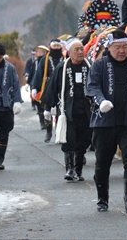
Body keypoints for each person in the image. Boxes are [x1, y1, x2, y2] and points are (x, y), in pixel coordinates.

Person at [84, 29, 127, 213]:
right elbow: (92, 86)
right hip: (104, 122)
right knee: (102, 163)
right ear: (109, 47)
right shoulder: (99, 65)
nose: (122, 51)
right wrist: (100, 100)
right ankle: (102, 198)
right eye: (117, 47)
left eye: (125, 47)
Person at [42, 38, 92, 182]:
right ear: (69, 52)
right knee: (69, 140)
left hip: (85, 111)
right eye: (76, 49)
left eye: (81, 49)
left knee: (84, 141)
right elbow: (52, 88)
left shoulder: (89, 66)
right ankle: (69, 169)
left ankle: (79, 170)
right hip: (67, 111)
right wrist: (47, 108)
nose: (80, 52)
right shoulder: (62, 67)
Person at [31, 39, 66, 143]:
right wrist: (35, 87)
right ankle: (49, 131)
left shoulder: (65, 59)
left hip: (61, 89)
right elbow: (38, 73)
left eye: (57, 46)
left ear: (61, 47)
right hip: (47, 88)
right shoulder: (44, 59)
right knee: (47, 113)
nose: (56, 48)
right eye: (54, 46)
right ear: (50, 47)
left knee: (61, 113)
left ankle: (59, 133)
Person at [27, 45, 49, 125]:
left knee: (46, 105)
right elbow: (32, 73)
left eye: (42, 52)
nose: (39, 53)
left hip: (46, 85)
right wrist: (31, 84)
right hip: (37, 85)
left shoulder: (47, 61)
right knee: (39, 105)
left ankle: (47, 123)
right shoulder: (35, 62)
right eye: (38, 51)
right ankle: (42, 122)